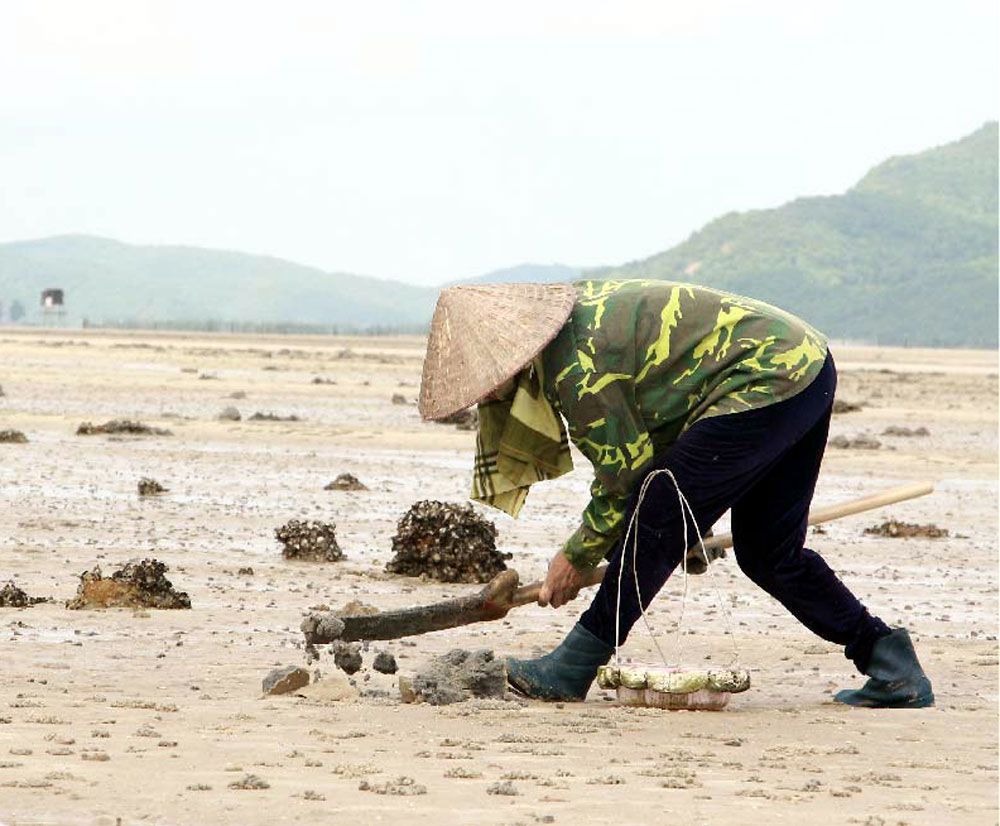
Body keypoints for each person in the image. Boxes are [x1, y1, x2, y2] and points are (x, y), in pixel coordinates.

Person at [418, 280, 934, 709]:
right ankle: (891, 663)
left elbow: (628, 478)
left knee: (656, 514)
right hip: (804, 366)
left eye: (481, 383)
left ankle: (570, 668)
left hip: (768, 377)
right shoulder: (570, 323)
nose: (482, 397)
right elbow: (662, 411)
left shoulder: (577, 366)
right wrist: (694, 518)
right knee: (767, 553)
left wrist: (575, 557)